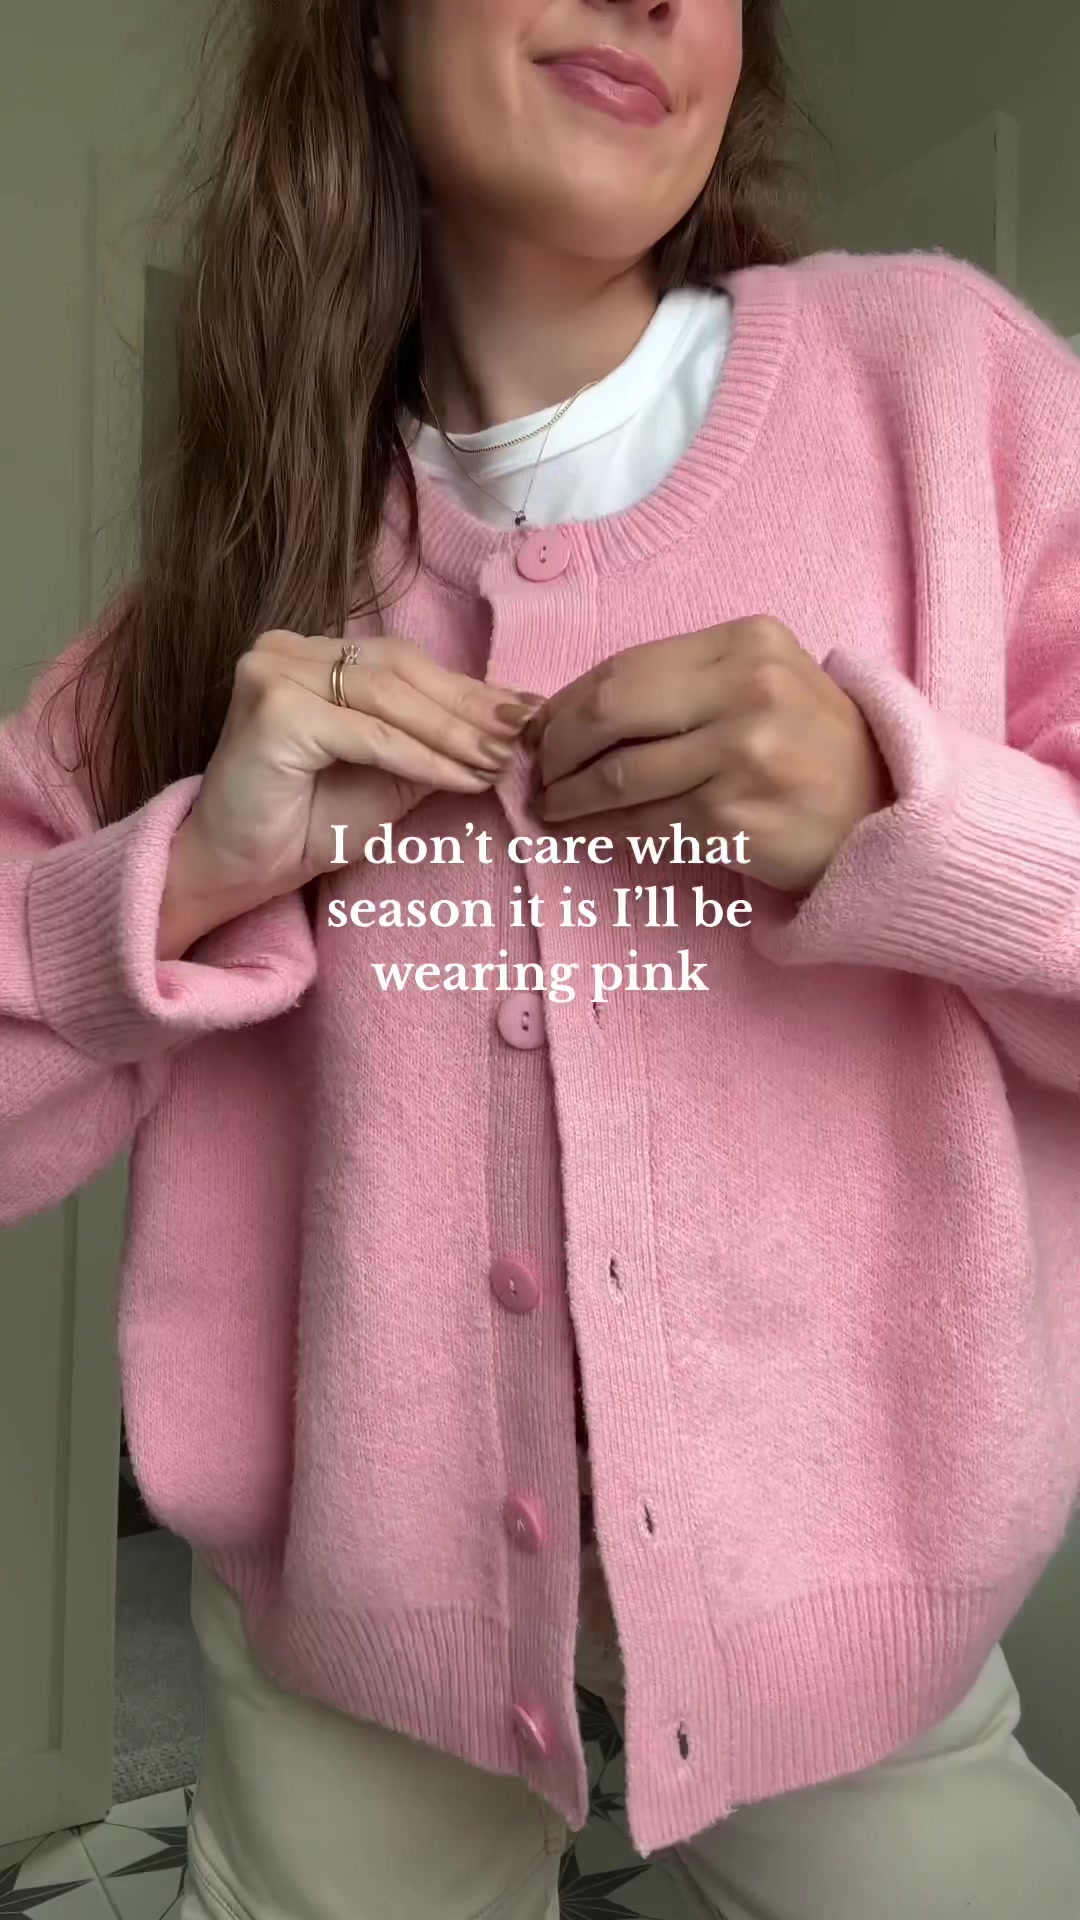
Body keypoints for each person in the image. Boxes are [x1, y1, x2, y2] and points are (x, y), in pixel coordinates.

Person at [3, 0, 1080, 1913]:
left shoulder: (939, 396)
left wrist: (905, 812)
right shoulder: (235, 579)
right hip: (350, 1631)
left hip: (862, 1618)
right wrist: (185, 879)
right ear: (370, 28)